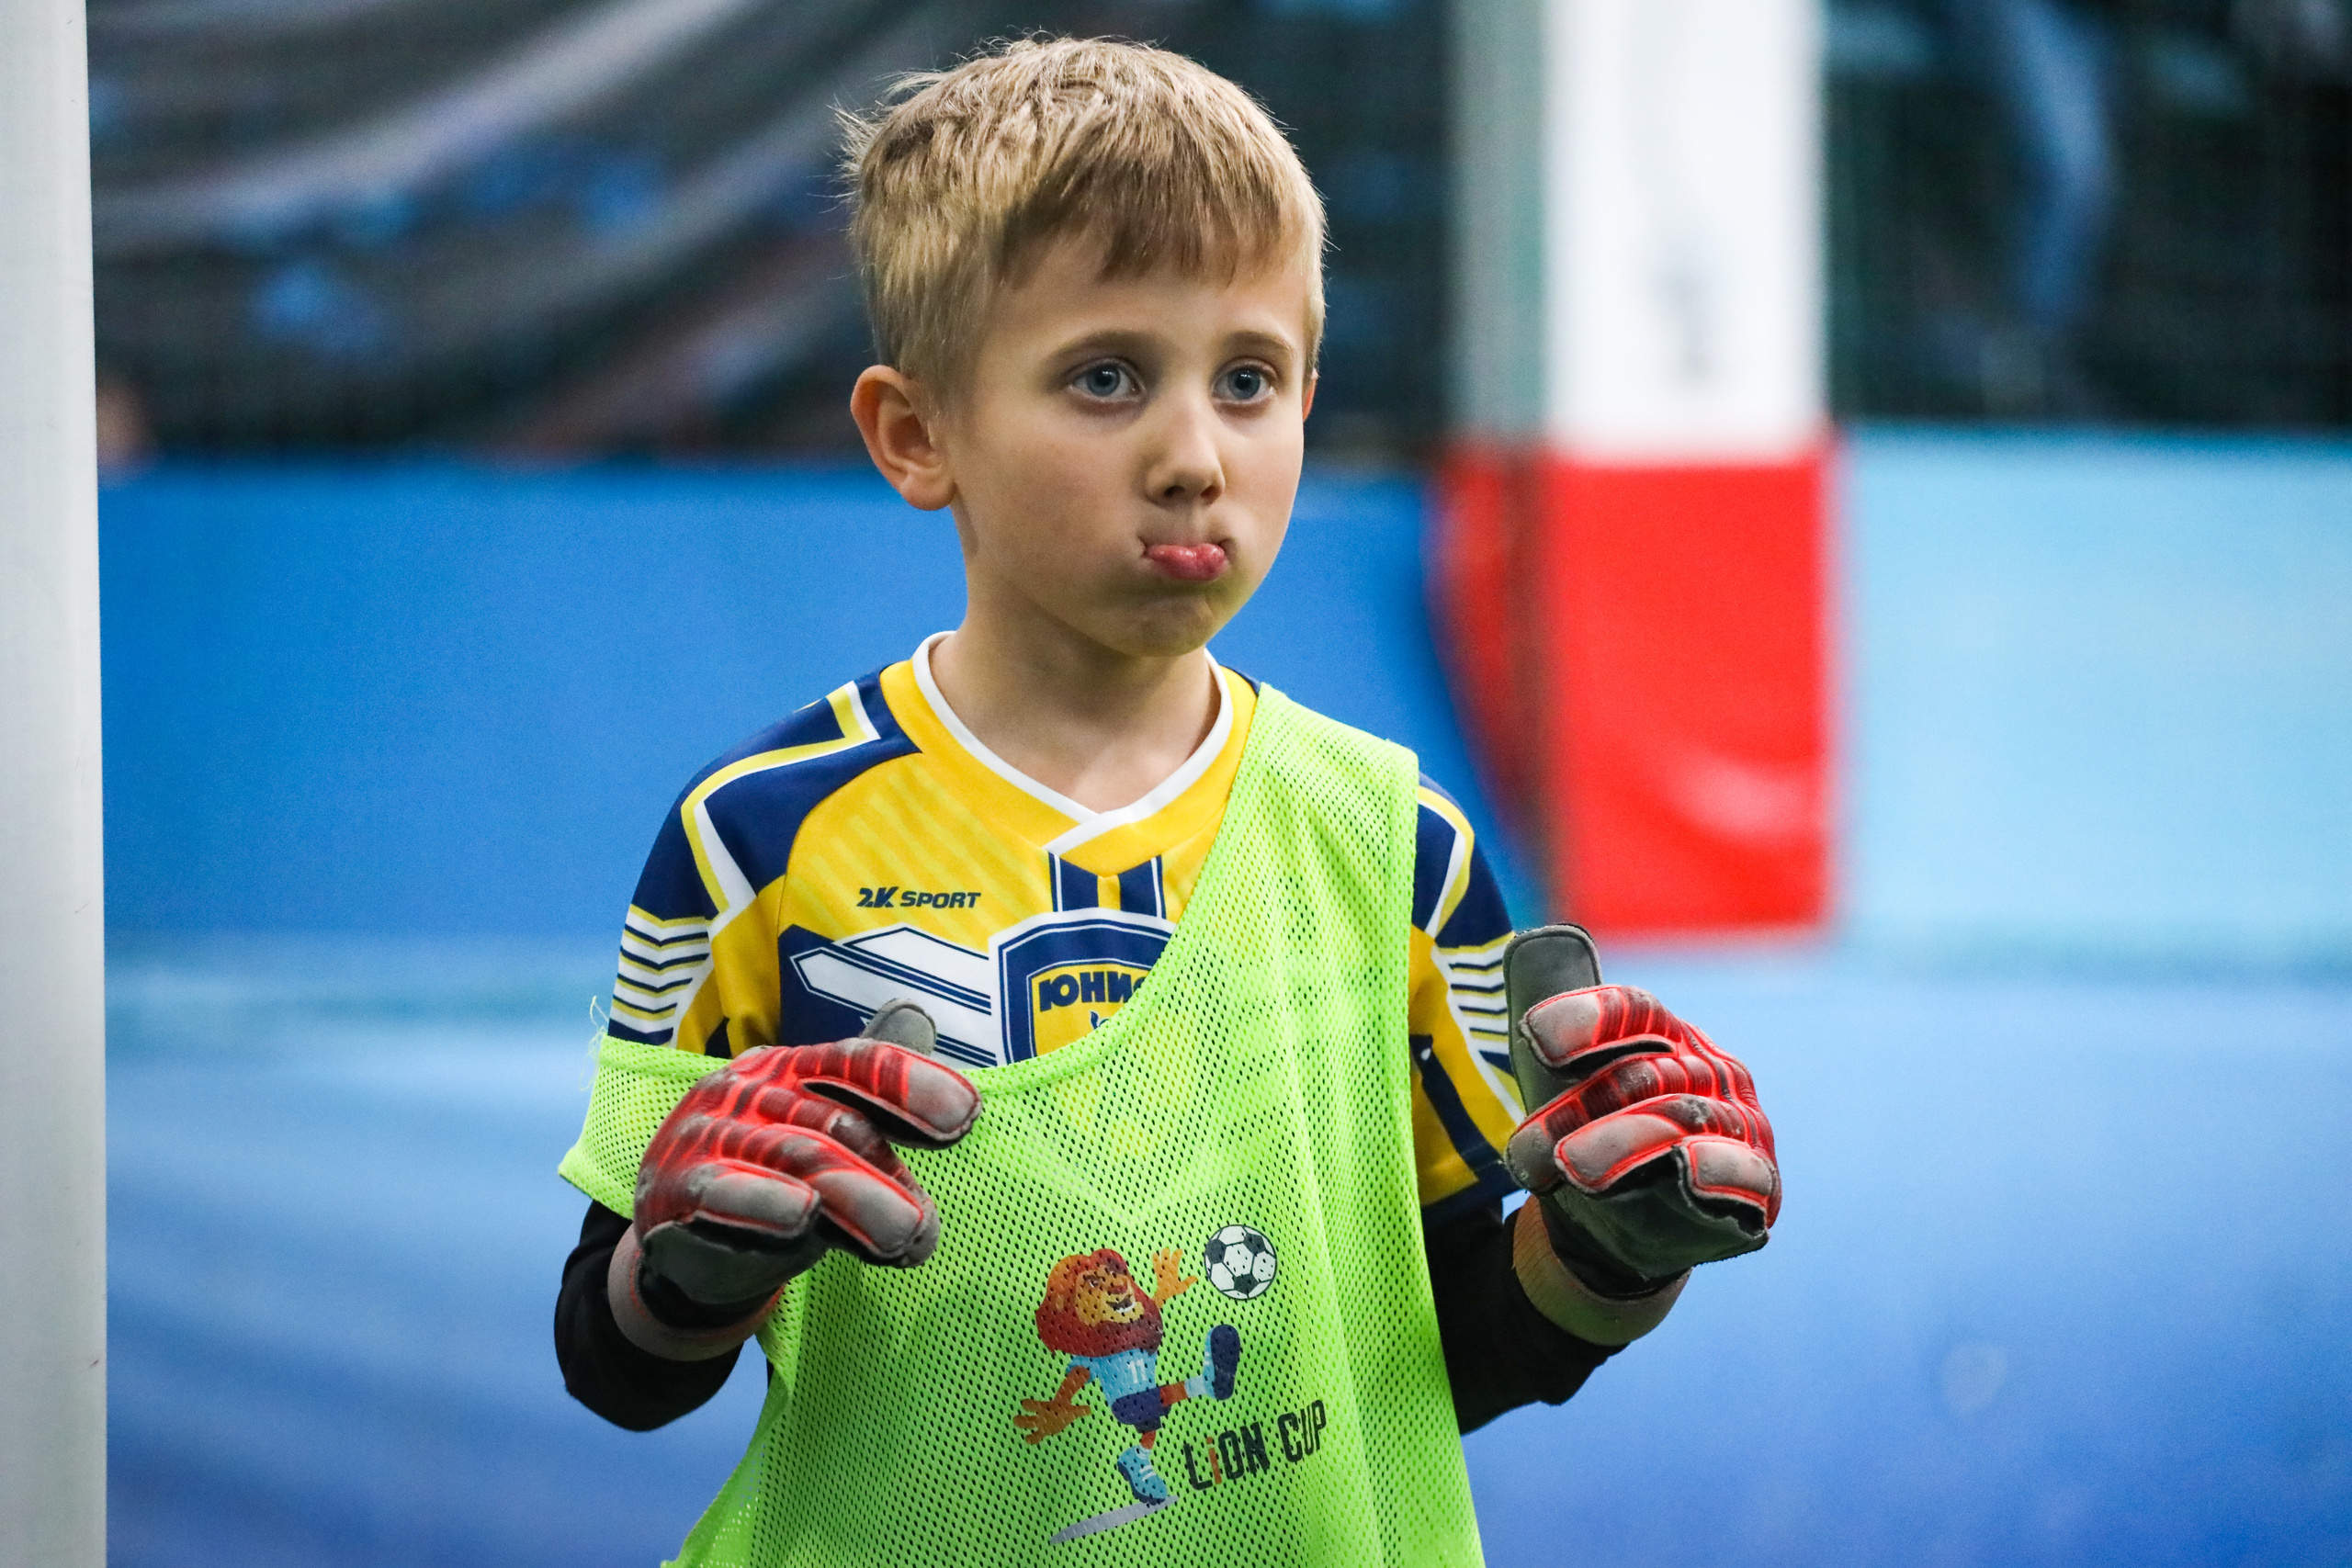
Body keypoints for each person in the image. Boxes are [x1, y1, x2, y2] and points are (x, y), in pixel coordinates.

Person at [551, 37, 1779, 1565]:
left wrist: (1619, 1257)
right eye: (1106, 377)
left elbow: (1447, 1343)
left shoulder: (1401, 848)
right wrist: (686, 1267)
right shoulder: (755, 839)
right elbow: (616, 1369)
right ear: (915, 434)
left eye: (1248, 380)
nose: (1196, 456)